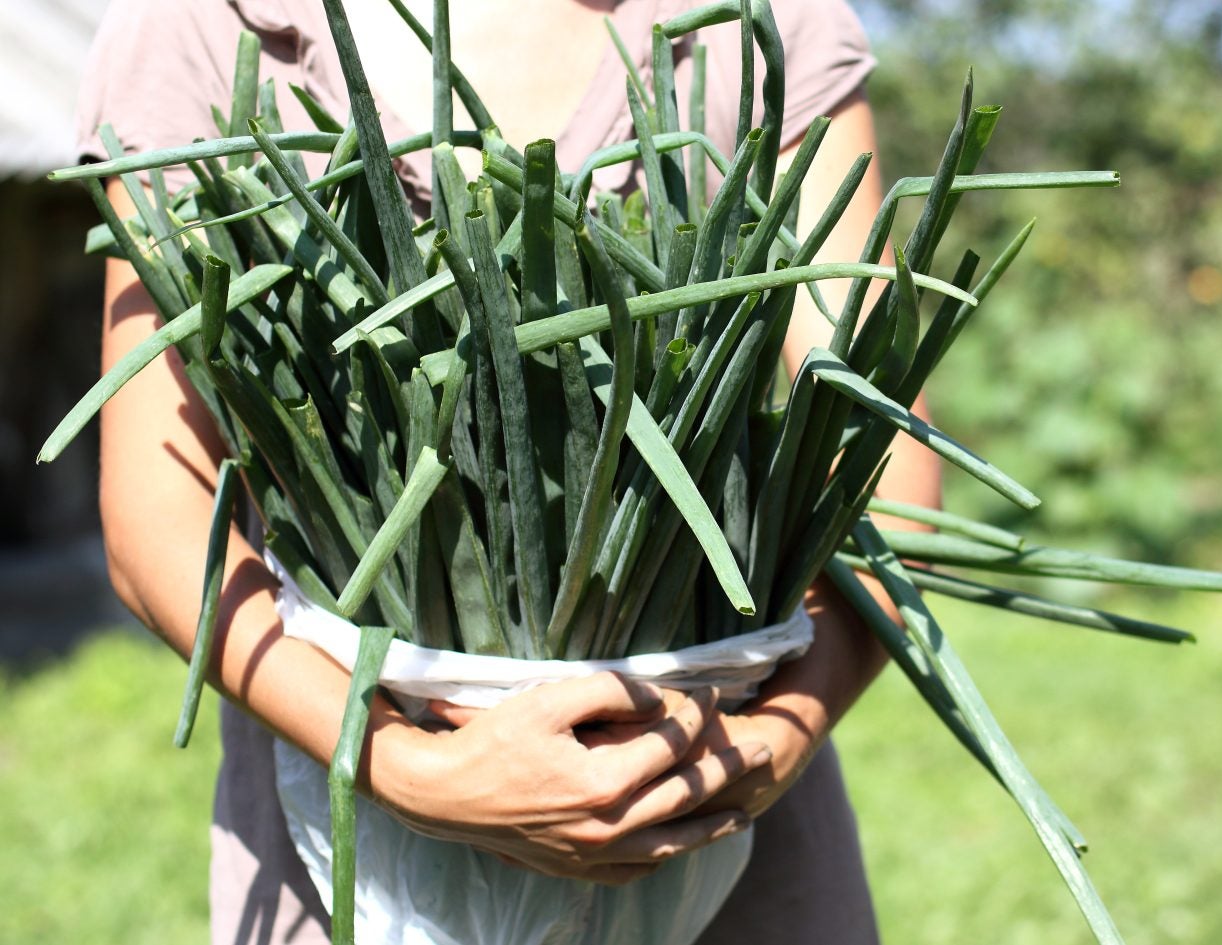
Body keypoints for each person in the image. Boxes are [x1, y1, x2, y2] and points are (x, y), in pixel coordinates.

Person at [74, 0, 929, 941]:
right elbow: (158, 507)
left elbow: (888, 455)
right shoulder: (200, 23)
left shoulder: (754, 18)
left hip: (712, 802)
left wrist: (782, 734)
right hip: (359, 825)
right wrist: (408, 771)